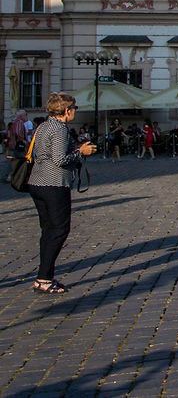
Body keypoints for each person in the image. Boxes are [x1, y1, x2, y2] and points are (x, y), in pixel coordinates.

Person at [25, 92, 95, 294]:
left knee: (48, 230)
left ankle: (44, 276)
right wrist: (81, 152)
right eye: (74, 109)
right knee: (59, 230)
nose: (75, 112)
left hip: (37, 182)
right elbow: (59, 159)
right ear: (66, 110)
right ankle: (44, 277)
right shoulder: (60, 129)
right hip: (53, 184)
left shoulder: (44, 125)